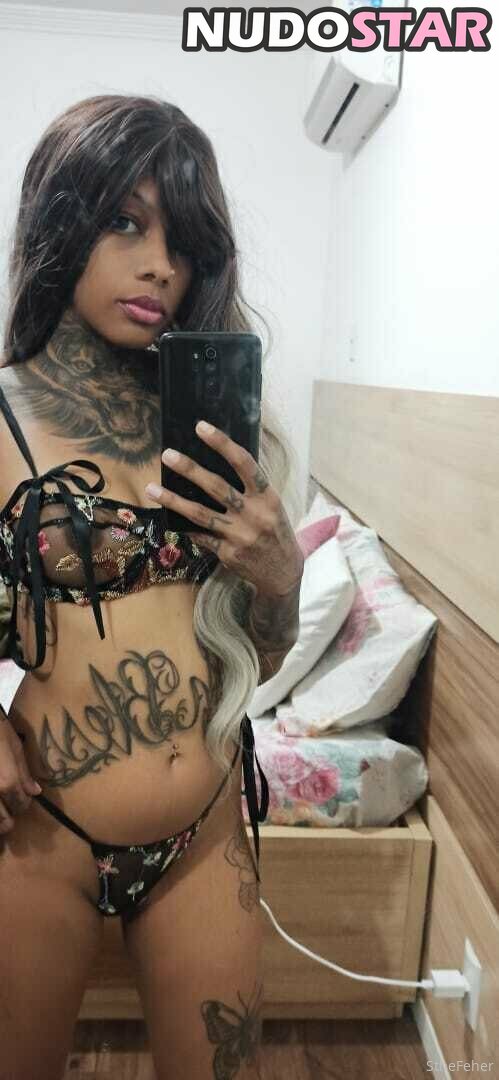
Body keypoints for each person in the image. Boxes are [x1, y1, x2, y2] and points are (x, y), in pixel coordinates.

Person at [0, 94, 303, 1080]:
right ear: (59, 222)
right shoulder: (2, 412)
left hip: (206, 826)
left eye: (184, 239)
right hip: (45, 833)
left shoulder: (214, 427)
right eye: (125, 222)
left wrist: (281, 577)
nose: (160, 264)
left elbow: (261, 657)